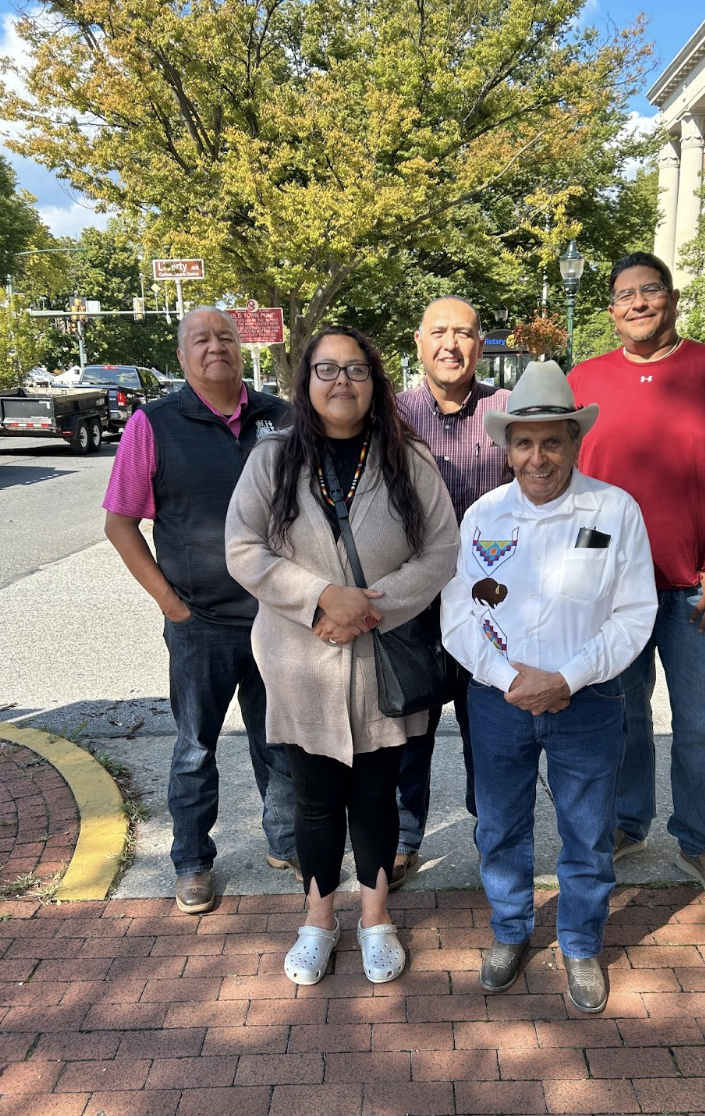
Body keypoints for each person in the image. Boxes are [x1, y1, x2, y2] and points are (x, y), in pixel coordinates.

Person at [225, 326, 457, 986]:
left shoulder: (406, 460)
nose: (342, 382)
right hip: (301, 662)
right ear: (305, 383)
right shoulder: (272, 460)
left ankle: (376, 917)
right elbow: (244, 550)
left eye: (356, 370)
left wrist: (370, 604)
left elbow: (441, 551)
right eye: (327, 370)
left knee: (377, 800)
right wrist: (323, 597)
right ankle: (319, 920)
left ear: (375, 382)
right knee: (316, 802)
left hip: (382, 661)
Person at [441, 360, 657, 1013]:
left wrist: (566, 678)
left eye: (553, 441)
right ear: (507, 448)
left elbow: (635, 614)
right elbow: (459, 616)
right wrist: (514, 680)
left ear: (574, 443)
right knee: (500, 828)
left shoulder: (614, 512)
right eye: (525, 443)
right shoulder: (482, 517)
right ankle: (510, 932)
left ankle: (581, 943)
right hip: (498, 703)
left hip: (588, 702)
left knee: (588, 833)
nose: (539, 457)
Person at [568, 251, 705, 909]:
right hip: (611, 591)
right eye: (624, 295)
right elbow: (567, 486)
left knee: (700, 724)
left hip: (695, 589)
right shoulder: (584, 380)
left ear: (672, 298)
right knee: (620, 721)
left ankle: (699, 839)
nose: (637, 303)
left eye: (649, 291)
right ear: (610, 310)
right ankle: (628, 825)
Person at [103, 306, 298, 915]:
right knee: (195, 748)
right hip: (200, 624)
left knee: (281, 743)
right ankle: (191, 860)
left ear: (242, 348)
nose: (216, 346)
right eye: (200, 339)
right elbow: (120, 523)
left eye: (226, 337)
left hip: (277, 619)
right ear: (183, 355)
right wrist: (172, 605)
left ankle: (286, 842)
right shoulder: (153, 423)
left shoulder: (282, 418)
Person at [392, 296, 510, 889]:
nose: (451, 344)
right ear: (418, 343)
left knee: (486, 728)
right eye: (438, 332)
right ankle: (405, 835)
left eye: (463, 333)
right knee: (410, 728)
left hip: (492, 604)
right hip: (413, 606)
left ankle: (490, 833)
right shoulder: (389, 415)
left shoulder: (508, 412)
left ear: (480, 343)